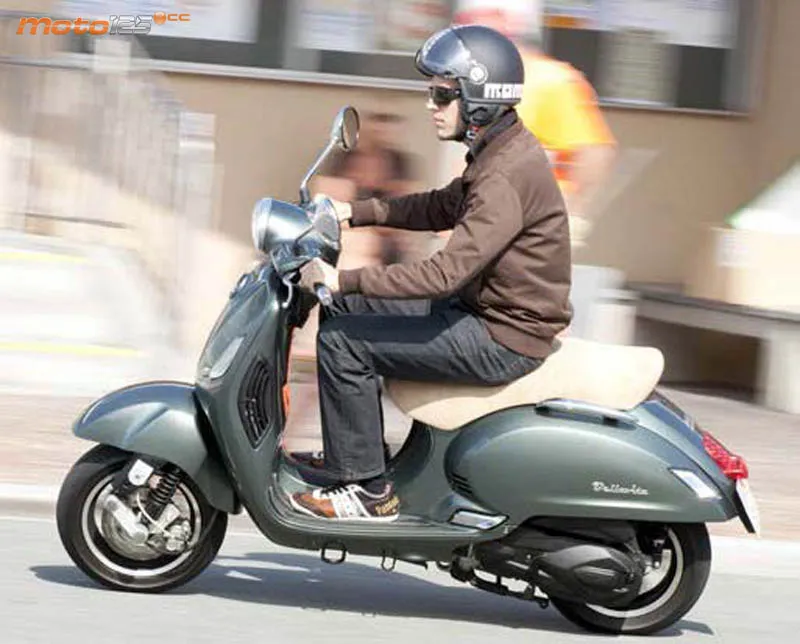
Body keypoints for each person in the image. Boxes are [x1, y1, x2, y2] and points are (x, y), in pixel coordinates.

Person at [288, 24, 573, 522]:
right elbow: (441, 206)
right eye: (432, 93)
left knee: (344, 341)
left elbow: (445, 274)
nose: (430, 105)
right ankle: (353, 459)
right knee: (346, 312)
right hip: (484, 313)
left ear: (479, 99)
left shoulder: (505, 174)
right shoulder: (500, 152)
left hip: (502, 336)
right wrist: (354, 212)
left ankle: (367, 491)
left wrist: (344, 279)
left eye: (442, 95)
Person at [314, 110, 426, 265]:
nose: (382, 135)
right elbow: (326, 208)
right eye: (376, 127)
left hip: (384, 245)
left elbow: (408, 213)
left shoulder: (399, 164)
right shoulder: (343, 160)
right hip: (347, 237)